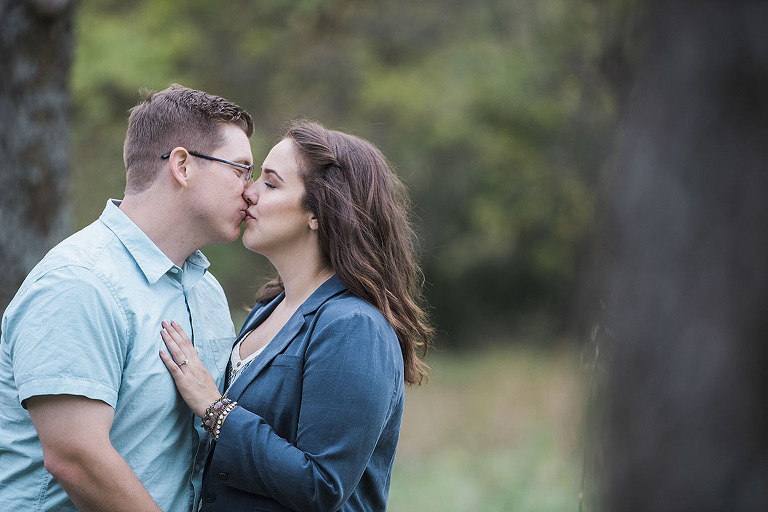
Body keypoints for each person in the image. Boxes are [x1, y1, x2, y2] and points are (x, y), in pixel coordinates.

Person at [0, 84, 254, 511]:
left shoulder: (206, 291)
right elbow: (76, 457)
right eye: (240, 169)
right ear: (182, 166)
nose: (250, 190)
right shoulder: (80, 282)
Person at [158, 119, 433, 511]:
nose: (248, 193)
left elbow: (321, 486)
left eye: (269, 183)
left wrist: (215, 408)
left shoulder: (354, 326)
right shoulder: (268, 309)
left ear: (319, 213)